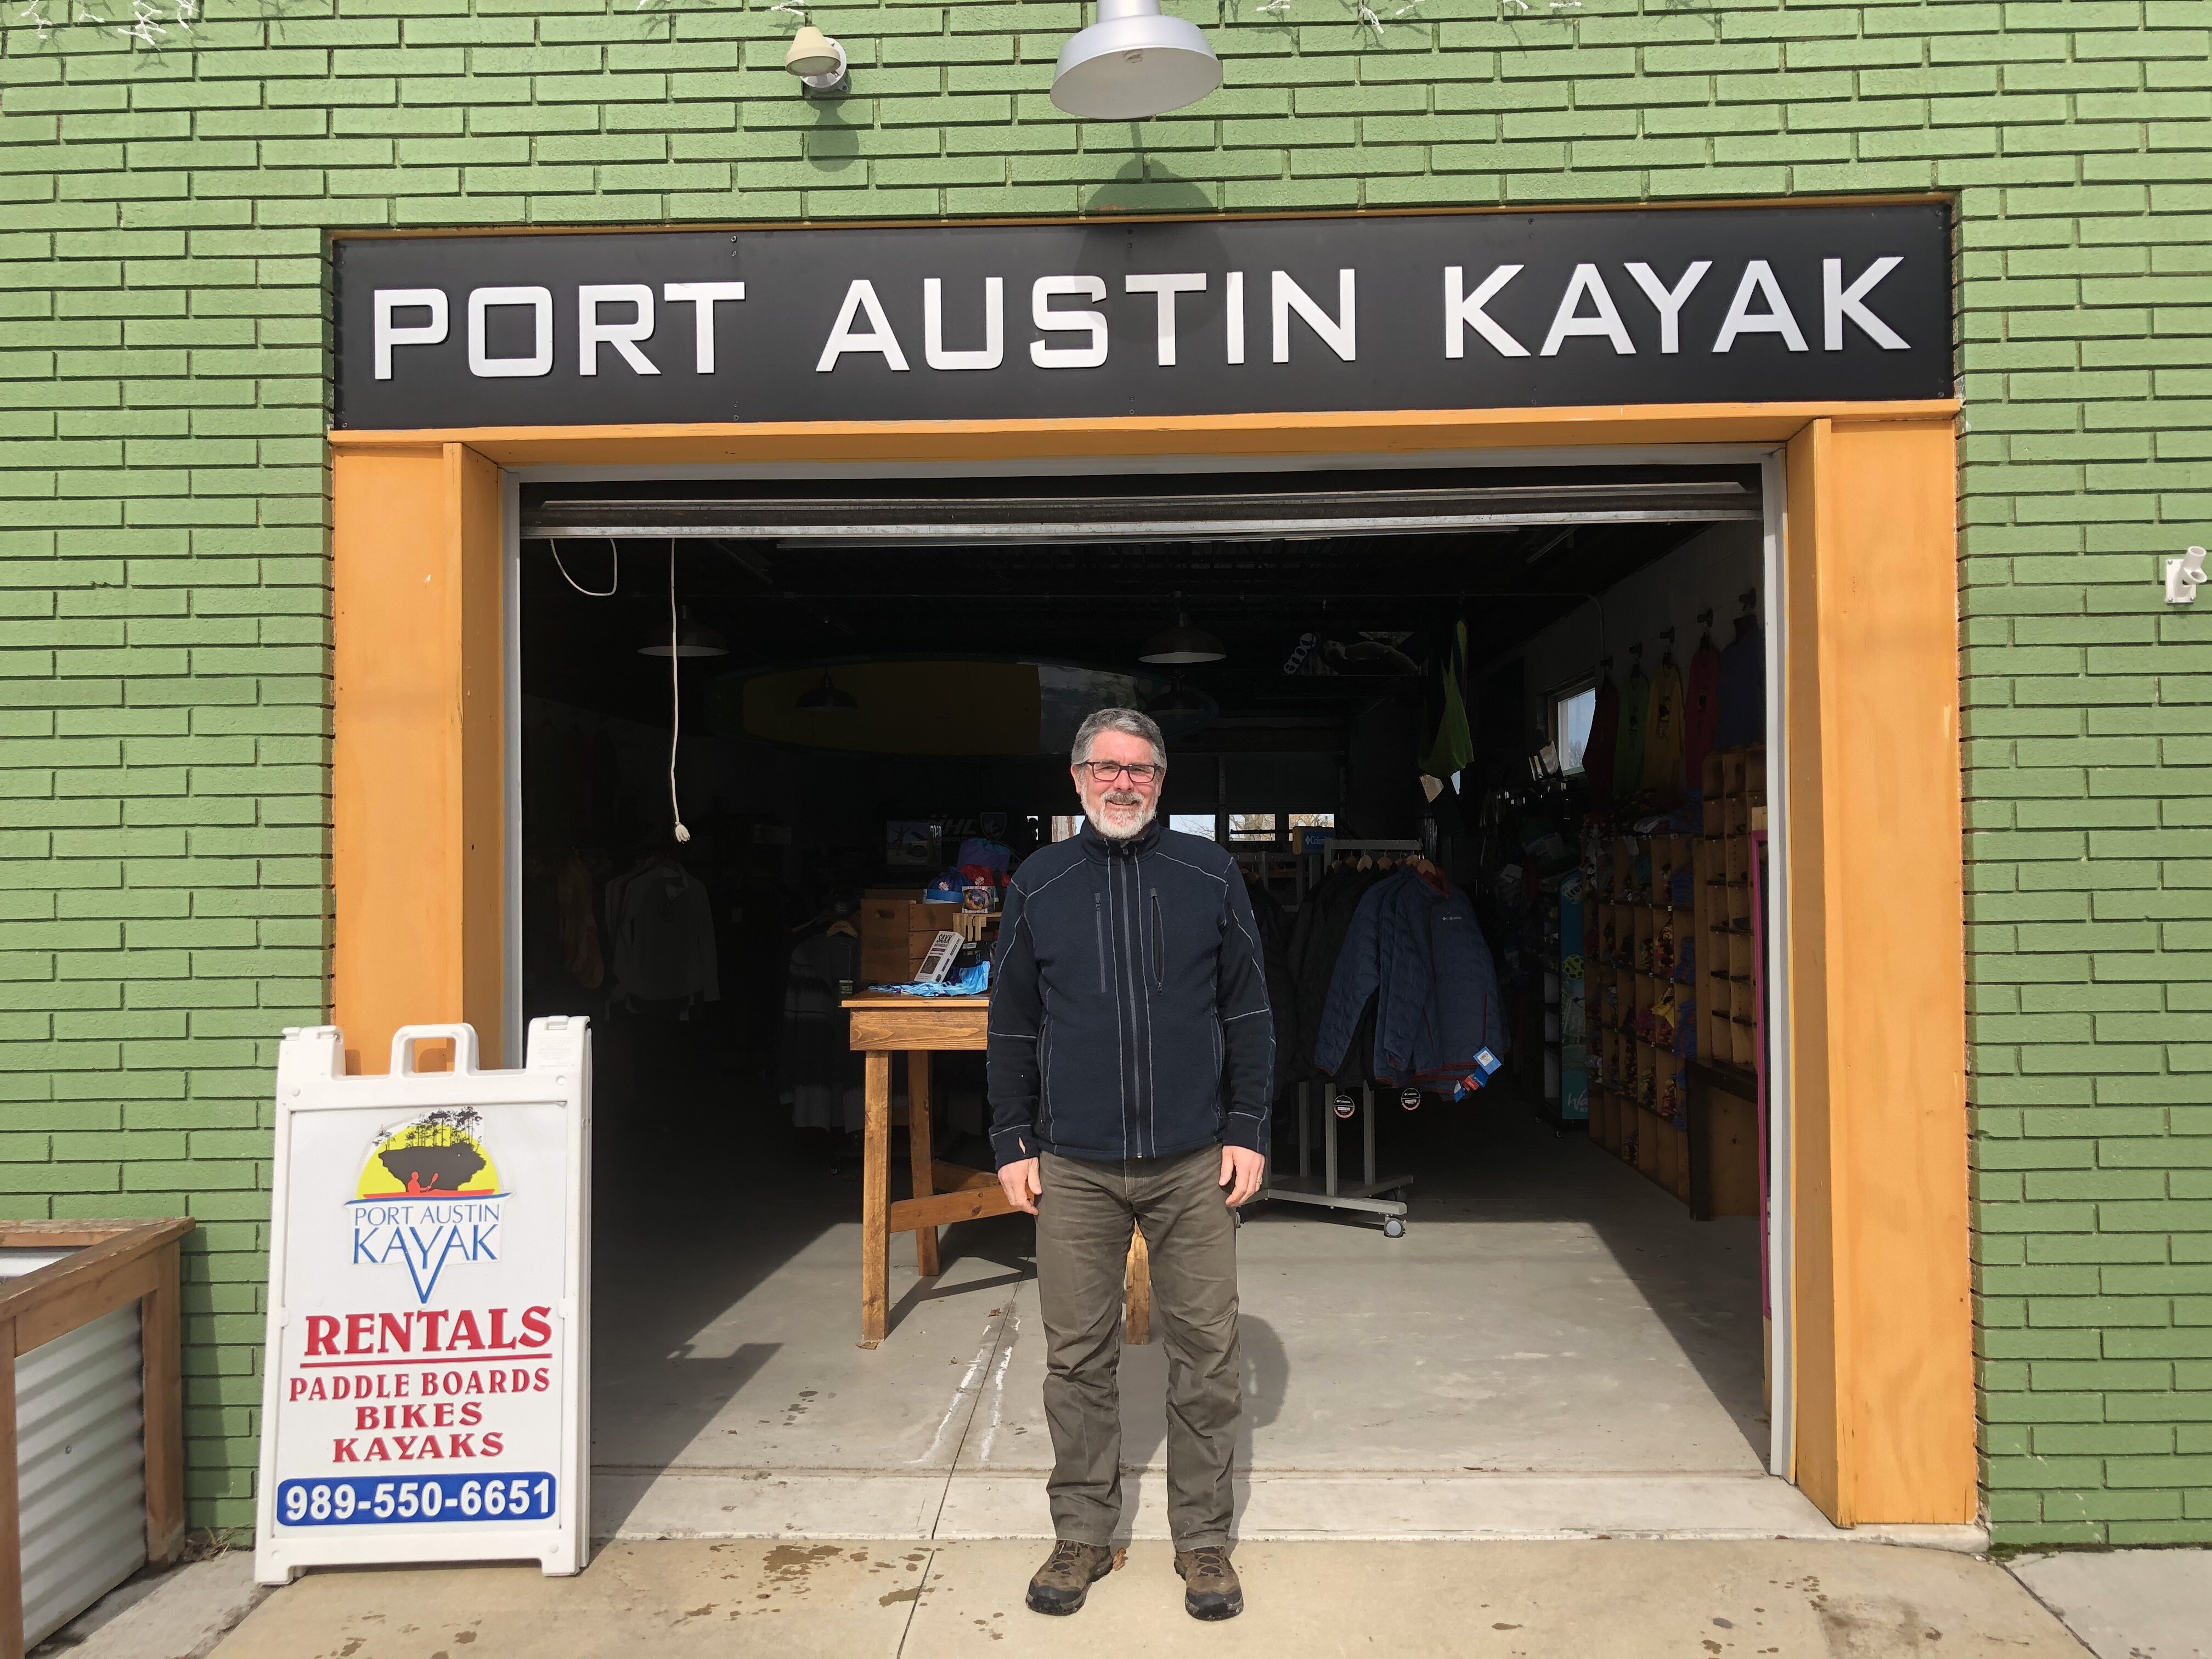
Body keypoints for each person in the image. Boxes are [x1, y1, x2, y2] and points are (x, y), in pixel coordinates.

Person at [988, 707, 1273, 1622]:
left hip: (1194, 1161)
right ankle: (1082, 1532)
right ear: (1076, 779)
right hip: (1073, 1164)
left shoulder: (1209, 874)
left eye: (1140, 770)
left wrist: (1248, 1126)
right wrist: (1010, 1140)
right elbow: (1013, 1024)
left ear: (1161, 782)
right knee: (1076, 1358)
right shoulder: (1039, 882)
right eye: (1106, 769)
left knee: (1209, 1355)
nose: (1123, 783)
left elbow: (1248, 1013)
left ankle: (1203, 1543)